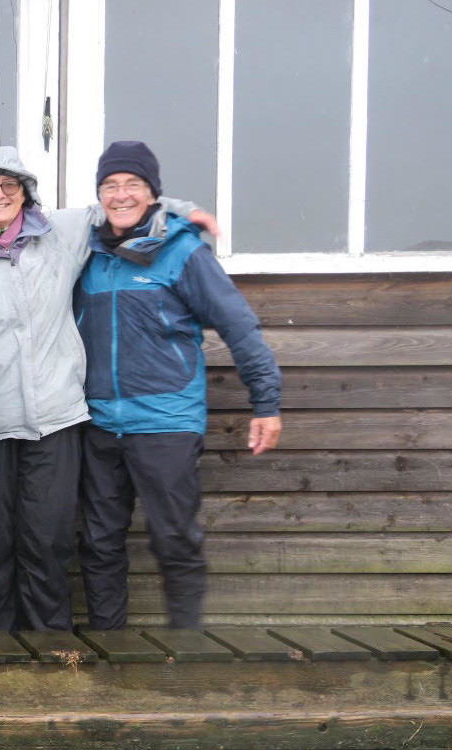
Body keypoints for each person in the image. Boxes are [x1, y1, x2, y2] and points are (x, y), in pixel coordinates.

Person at [0, 145, 217, 632]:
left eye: (10, 185)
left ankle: (50, 654)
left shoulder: (60, 235)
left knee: (47, 543)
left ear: (25, 193)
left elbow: (124, 204)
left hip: (56, 421)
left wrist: (189, 212)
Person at [74, 140, 281, 630]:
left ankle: (186, 655)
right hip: (100, 424)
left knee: (174, 538)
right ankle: (111, 652)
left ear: (153, 195)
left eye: (133, 185)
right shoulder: (87, 254)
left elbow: (239, 327)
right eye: (110, 185)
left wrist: (266, 402)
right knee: (99, 543)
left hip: (166, 422)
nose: (120, 195)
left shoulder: (184, 252)